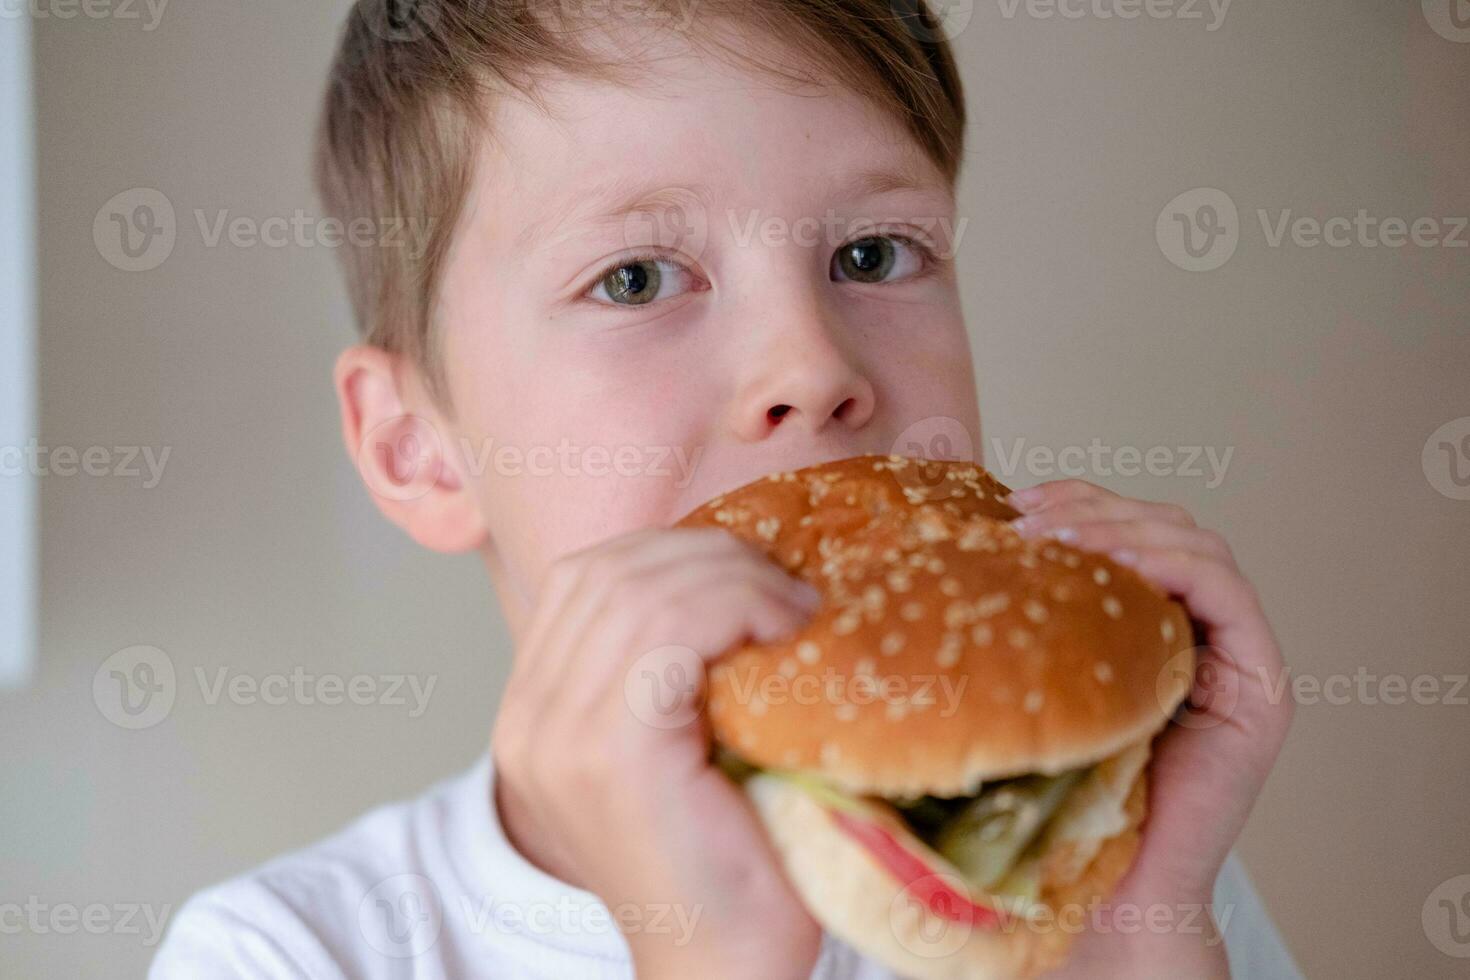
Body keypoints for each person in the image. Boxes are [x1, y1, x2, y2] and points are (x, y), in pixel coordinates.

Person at [151, 1, 1299, 976]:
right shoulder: (284, 949)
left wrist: (1131, 934)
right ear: (419, 447)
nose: (811, 368)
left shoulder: (1114, 861)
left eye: (873, 254)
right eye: (638, 277)